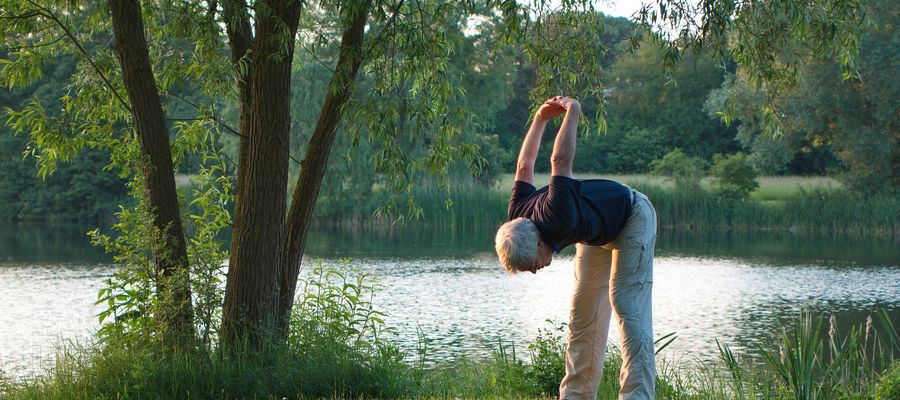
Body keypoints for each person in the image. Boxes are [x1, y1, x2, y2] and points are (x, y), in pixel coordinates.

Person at [494, 96, 657, 399]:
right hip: (597, 233)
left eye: (533, 264)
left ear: (539, 241)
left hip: (633, 216)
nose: (536, 270)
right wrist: (540, 118)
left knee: (626, 306)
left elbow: (560, 161)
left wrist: (573, 111)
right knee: (583, 315)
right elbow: (524, 164)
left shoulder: (557, 213)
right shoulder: (519, 216)